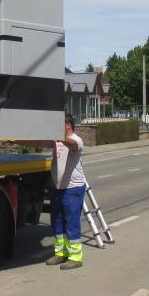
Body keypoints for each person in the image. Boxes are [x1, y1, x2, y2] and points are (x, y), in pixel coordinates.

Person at [46, 113, 86, 270]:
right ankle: (60, 253)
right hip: (58, 188)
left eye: (59, 124)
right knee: (57, 221)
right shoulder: (56, 142)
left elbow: (73, 145)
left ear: (68, 125)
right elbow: (39, 142)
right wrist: (16, 141)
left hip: (72, 188)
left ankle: (75, 257)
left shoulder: (76, 139)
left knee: (71, 222)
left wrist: (59, 137)